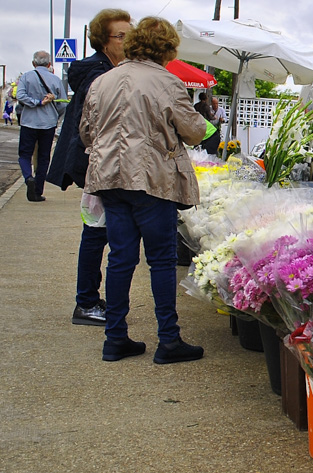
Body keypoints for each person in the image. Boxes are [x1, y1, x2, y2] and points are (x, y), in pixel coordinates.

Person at [80, 16, 208, 364]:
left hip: (109, 178)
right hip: (151, 179)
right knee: (162, 260)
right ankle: (168, 340)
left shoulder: (103, 81)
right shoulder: (167, 82)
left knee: (121, 259)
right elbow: (195, 131)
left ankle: (115, 338)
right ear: (167, 48)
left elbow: (86, 132)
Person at [46, 8, 132, 328]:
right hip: (101, 166)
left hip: (101, 164)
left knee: (99, 232)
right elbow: (96, 125)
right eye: (120, 36)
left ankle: (90, 298)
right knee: (97, 233)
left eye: (129, 35)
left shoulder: (107, 69)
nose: (127, 41)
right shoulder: (100, 74)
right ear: (103, 41)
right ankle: (86, 302)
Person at [16, 51, 65, 203]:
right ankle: (37, 192)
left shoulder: (26, 77)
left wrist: (35, 102)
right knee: (44, 158)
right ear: (49, 64)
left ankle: (28, 177)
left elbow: (20, 96)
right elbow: (62, 104)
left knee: (24, 154)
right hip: (48, 124)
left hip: (28, 123)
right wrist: (54, 114)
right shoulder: (56, 80)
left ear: (33, 63)